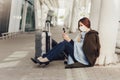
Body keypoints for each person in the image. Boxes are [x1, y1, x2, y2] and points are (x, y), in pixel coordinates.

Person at [31, 17, 100, 68]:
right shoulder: (83, 33)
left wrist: (69, 40)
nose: (80, 27)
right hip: (78, 53)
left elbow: (87, 49)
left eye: (81, 25)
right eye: (79, 25)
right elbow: (76, 44)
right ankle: (45, 57)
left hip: (82, 57)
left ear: (86, 25)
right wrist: (69, 39)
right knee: (64, 42)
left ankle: (46, 59)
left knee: (65, 43)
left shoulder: (91, 35)